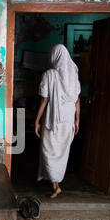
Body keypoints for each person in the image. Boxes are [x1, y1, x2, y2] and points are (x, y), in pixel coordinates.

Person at [34, 44, 81, 198]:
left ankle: (55, 185)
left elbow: (45, 99)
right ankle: (56, 184)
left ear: (54, 56)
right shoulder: (73, 74)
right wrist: (77, 120)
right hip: (68, 121)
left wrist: (37, 121)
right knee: (61, 153)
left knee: (48, 151)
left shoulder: (49, 74)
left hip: (53, 120)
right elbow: (77, 100)